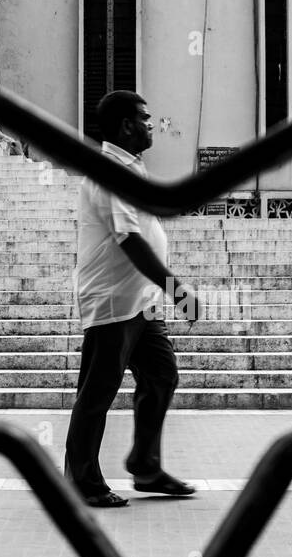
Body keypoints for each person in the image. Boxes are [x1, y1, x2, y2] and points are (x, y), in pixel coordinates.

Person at [64, 90, 199, 509]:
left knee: (161, 375)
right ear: (125, 125)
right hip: (112, 301)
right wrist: (177, 290)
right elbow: (129, 240)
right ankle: (81, 481)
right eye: (144, 117)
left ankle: (145, 464)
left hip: (139, 300)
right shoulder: (109, 171)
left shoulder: (131, 168)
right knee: (98, 391)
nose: (150, 123)